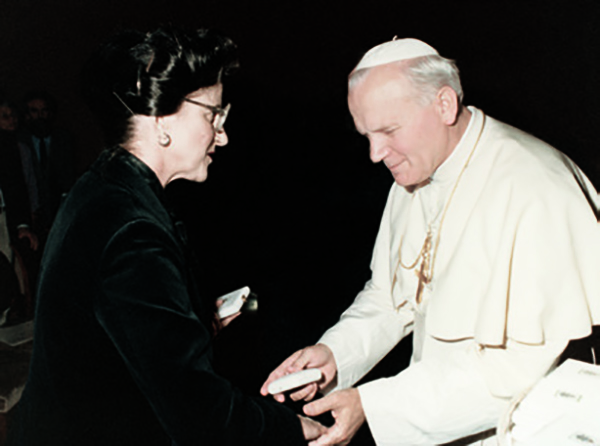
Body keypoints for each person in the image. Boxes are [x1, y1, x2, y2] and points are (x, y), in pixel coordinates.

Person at [261, 38, 600, 445]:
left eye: (388, 131)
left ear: (444, 105)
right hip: (435, 421)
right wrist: (334, 356)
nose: (374, 153)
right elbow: (392, 296)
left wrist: (374, 405)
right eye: (366, 134)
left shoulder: (536, 187)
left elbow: (518, 372)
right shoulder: (417, 173)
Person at [8, 26, 324, 445]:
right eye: (213, 114)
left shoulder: (106, 185)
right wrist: (292, 427)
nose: (222, 134)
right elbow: (198, 413)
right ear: (160, 121)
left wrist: (192, 321)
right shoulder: (133, 231)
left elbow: (112, 335)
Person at [19, 90, 76, 238]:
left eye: (44, 111)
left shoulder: (63, 139)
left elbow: (67, 179)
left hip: (58, 213)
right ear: (26, 115)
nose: (39, 116)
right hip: (30, 215)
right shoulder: (20, 142)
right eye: (34, 111)